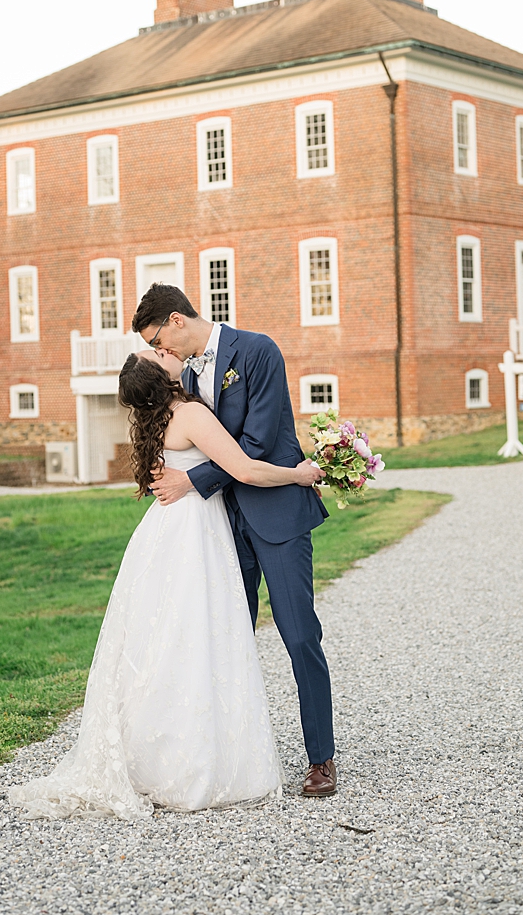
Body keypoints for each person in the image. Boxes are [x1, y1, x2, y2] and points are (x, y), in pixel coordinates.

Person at [8, 348, 321, 820]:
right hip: (197, 532)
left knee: (168, 642)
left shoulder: (154, 421)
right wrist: (299, 474)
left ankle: (158, 758)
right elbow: (246, 468)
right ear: (160, 375)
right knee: (200, 638)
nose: (164, 352)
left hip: (164, 530)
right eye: (154, 354)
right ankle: (200, 761)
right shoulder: (191, 412)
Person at [129, 284, 338, 798]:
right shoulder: (186, 377)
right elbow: (195, 440)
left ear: (177, 320)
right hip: (221, 526)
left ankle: (321, 758)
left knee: (298, 634)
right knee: (226, 641)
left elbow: (255, 444)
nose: (164, 352)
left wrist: (191, 481)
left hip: (277, 518)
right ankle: (231, 754)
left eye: (159, 339)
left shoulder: (259, 350)